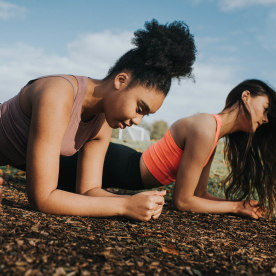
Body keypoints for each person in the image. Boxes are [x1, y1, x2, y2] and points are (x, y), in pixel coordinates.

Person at [0, 19, 196, 221]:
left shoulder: (103, 123)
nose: (138, 121)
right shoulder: (58, 94)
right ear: (121, 80)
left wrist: (134, 201)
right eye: (139, 108)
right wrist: (123, 205)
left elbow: (89, 190)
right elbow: (43, 198)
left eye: (145, 115)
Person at [100, 79, 276, 219]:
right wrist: (235, 207)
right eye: (265, 109)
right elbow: (183, 201)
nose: (266, 119)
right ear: (246, 96)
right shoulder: (205, 128)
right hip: (116, 163)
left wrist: (241, 205)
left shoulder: (212, 134)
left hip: (126, 163)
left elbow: (199, 194)